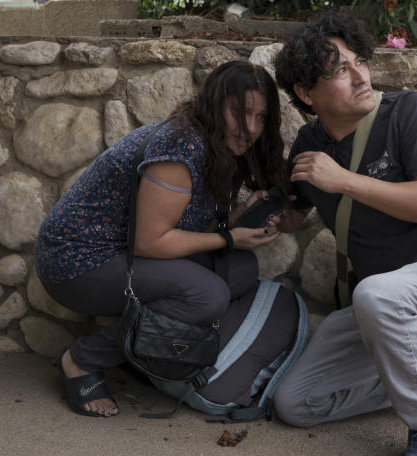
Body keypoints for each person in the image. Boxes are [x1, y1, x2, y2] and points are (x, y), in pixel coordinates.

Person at [269, 15, 417, 456]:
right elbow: (295, 212)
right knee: (295, 403)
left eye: (358, 62)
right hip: (385, 307)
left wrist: (344, 181)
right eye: (339, 70)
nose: (361, 76)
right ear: (307, 94)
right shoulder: (310, 146)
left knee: (373, 295)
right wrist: (265, 220)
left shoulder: (408, 113)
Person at [34, 61, 288, 417]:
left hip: (124, 253)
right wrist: (228, 238)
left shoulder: (214, 144)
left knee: (240, 270)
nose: (250, 129)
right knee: (208, 295)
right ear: (215, 105)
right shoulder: (181, 147)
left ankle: (144, 349)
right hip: (77, 261)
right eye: (239, 112)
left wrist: (240, 217)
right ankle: (82, 360)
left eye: (261, 117)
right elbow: (150, 242)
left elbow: (183, 222)